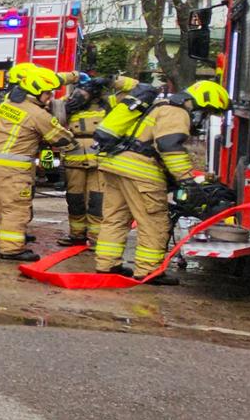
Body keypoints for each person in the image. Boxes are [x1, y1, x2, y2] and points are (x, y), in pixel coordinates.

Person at [93, 80, 231, 285]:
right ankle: (148, 271)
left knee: (115, 218)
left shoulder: (159, 105)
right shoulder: (177, 112)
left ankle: (106, 265)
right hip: (141, 171)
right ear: (203, 102)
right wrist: (187, 180)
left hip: (115, 165)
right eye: (207, 110)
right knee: (154, 222)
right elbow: (169, 146)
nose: (203, 116)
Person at [0, 64, 76, 261]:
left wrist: (72, 77)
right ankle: (12, 249)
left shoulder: (9, 103)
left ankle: (2, 243)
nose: (50, 98)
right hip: (13, 170)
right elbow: (63, 140)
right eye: (47, 94)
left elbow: (51, 78)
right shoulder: (37, 114)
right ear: (35, 92)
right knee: (16, 209)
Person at [57, 73, 136, 247]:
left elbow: (138, 89)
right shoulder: (68, 102)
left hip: (100, 161)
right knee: (75, 199)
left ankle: (96, 238)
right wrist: (67, 107)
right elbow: (51, 116)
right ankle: (76, 235)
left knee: (97, 201)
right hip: (73, 159)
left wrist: (112, 80)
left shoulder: (112, 102)